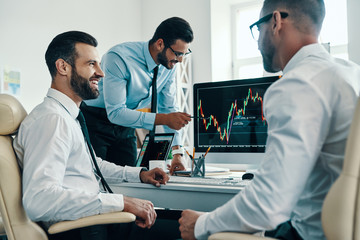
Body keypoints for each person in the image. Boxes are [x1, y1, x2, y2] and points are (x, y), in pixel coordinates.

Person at [179, 0, 360, 239]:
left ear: (276, 22)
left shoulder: (296, 84)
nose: (257, 42)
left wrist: (201, 224)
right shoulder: (351, 72)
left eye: (257, 28)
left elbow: (269, 204)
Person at [13, 31, 173, 240]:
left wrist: (138, 174)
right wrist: (122, 202)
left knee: (187, 221)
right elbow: (39, 200)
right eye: (91, 64)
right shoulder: (52, 121)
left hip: (93, 222)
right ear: (63, 67)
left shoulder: (66, 116)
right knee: (189, 227)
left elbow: (90, 164)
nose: (101, 73)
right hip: (84, 229)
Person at [81, 17, 194, 174]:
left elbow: (168, 108)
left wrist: (177, 153)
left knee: (131, 178)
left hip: (127, 124)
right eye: (177, 53)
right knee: (97, 179)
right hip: (96, 120)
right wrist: (164, 119)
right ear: (160, 44)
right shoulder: (119, 57)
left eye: (184, 54)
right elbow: (115, 113)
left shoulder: (169, 65)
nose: (180, 60)